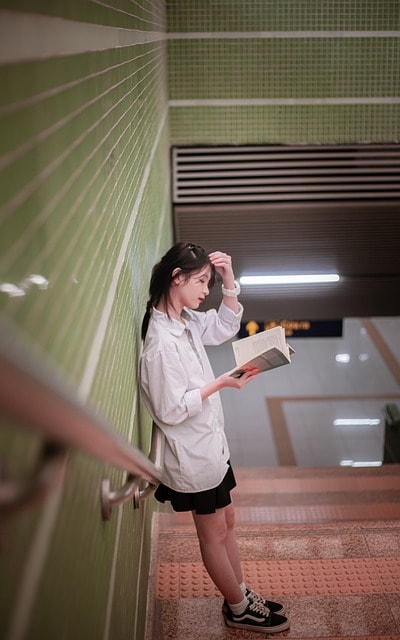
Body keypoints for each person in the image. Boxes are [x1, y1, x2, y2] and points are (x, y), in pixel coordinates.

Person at [139, 241, 290, 634]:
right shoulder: (160, 344)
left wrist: (229, 281)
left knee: (228, 520)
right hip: (192, 457)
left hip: (210, 446)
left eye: (209, 281)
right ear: (177, 277)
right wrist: (219, 384)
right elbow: (170, 409)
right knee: (212, 533)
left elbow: (224, 326)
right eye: (201, 281)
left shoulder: (185, 319)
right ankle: (238, 608)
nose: (206, 290)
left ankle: (238, 590)